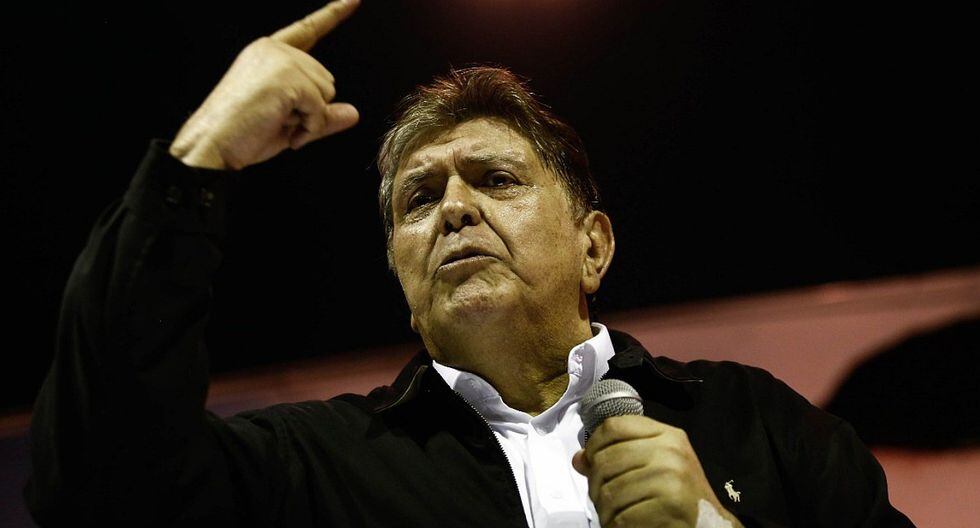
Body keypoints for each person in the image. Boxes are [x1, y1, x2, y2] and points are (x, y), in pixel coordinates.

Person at [26, 1, 913, 526]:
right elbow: (96, 484)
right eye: (420, 200)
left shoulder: (757, 423)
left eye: (496, 179)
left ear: (593, 246)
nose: (454, 208)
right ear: (402, 278)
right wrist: (199, 159)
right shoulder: (313, 469)